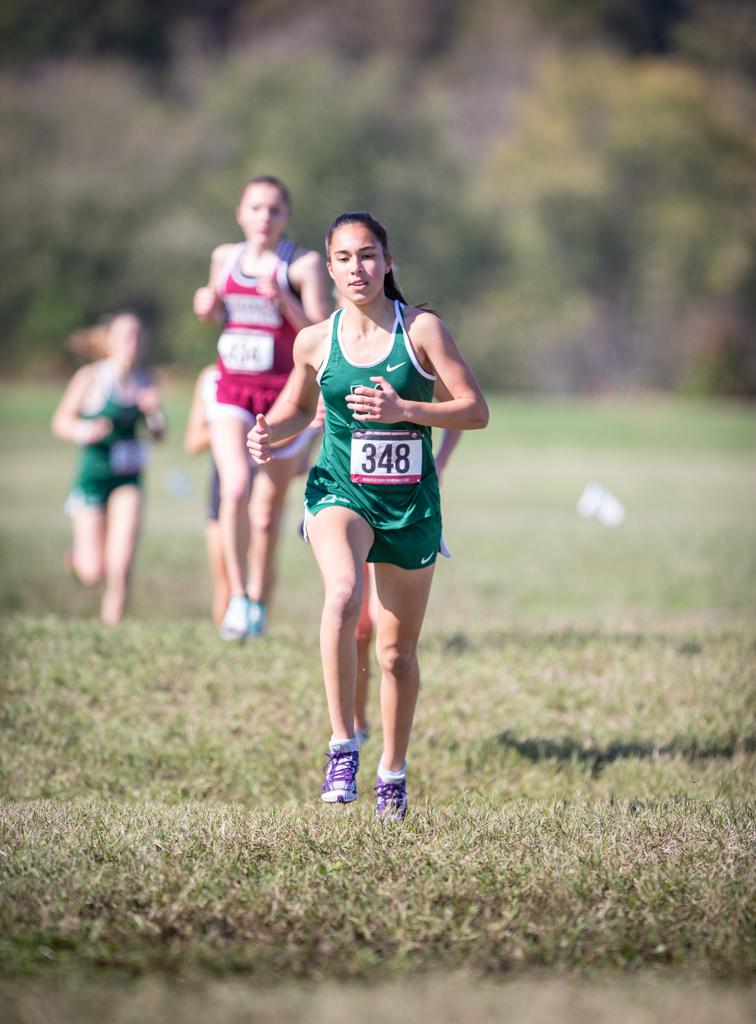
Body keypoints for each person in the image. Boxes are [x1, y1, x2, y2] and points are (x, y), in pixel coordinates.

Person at [247, 211, 488, 820]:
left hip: (410, 506)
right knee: (343, 595)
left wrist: (406, 407)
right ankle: (342, 745)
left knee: (394, 655)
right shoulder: (314, 340)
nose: (359, 268)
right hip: (340, 492)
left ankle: (392, 774)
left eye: (369, 255)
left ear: (388, 262)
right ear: (329, 269)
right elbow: (295, 410)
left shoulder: (423, 330)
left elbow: (474, 410)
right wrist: (268, 434)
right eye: (346, 258)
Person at [193, 175, 330, 640]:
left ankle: (257, 601)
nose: (264, 218)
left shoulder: (303, 264)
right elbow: (216, 314)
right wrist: (206, 305)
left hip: (284, 397)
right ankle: (235, 597)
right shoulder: (223, 257)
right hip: (232, 391)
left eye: (273, 210)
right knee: (234, 489)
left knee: (267, 512)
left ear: (286, 216)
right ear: (240, 213)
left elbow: (319, 332)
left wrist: (286, 301)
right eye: (255, 208)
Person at [184, 363, 322, 627]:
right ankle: (229, 636)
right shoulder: (212, 378)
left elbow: (298, 465)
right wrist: (231, 428)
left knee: (263, 564)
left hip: (265, 483)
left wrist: (298, 429)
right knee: (225, 581)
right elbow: (192, 441)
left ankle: (256, 624)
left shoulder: (284, 389)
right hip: (227, 486)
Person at [51, 311, 165, 624]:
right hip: (92, 481)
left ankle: (112, 626)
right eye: (127, 335)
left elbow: (159, 435)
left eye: (139, 335)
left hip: (128, 479)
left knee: (122, 559)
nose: (134, 342)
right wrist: (83, 431)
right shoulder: (91, 377)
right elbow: (60, 421)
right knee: (92, 572)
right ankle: (77, 558)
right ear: (110, 341)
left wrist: (154, 413)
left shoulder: (147, 379)